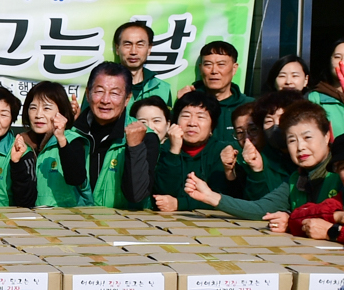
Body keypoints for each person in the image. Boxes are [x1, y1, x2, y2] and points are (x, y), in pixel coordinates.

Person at [187, 99, 339, 230]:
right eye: (292, 140)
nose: (300, 147)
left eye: (307, 137)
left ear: (327, 136)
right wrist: (209, 196)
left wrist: (292, 219)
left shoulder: (341, 174)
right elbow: (261, 209)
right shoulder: (297, 179)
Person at [133, 88, 232, 212]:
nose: (192, 123)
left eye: (201, 117)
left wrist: (180, 204)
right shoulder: (163, 149)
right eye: (186, 116)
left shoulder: (220, 151)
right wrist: (174, 150)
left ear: (212, 126)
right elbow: (163, 193)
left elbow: (223, 197)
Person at [56, 62, 140, 208]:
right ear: (88, 94)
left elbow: (136, 195)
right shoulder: (71, 135)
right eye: (99, 91)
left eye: (114, 93)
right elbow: (74, 179)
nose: (105, 100)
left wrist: (135, 148)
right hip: (77, 225)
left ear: (127, 99)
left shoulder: (144, 136)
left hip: (123, 227)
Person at [181, 38, 248, 121]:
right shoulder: (187, 102)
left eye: (221, 64)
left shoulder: (248, 106)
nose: (214, 71)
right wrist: (181, 103)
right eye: (208, 64)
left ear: (234, 68)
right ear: (201, 68)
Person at [112, 20, 172, 105]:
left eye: (140, 44)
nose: (133, 51)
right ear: (117, 48)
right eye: (127, 44)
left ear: (149, 49)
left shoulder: (162, 88)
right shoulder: (102, 85)